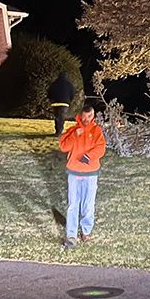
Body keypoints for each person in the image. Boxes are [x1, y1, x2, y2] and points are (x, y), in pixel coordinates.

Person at [59, 103, 106, 250]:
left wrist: (88, 156)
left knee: (88, 203)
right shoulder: (73, 130)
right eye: (84, 116)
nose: (86, 119)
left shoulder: (97, 131)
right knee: (73, 204)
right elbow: (63, 146)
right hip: (74, 172)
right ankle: (71, 235)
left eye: (89, 116)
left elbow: (101, 148)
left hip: (90, 173)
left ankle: (86, 231)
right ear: (80, 116)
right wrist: (75, 135)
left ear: (93, 116)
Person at [48, 72, 76, 137]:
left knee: (57, 117)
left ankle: (57, 130)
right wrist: (69, 101)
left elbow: (49, 92)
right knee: (62, 117)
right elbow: (72, 94)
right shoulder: (69, 85)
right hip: (65, 103)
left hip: (55, 103)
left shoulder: (54, 84)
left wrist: (51, 100)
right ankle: (60, 131)